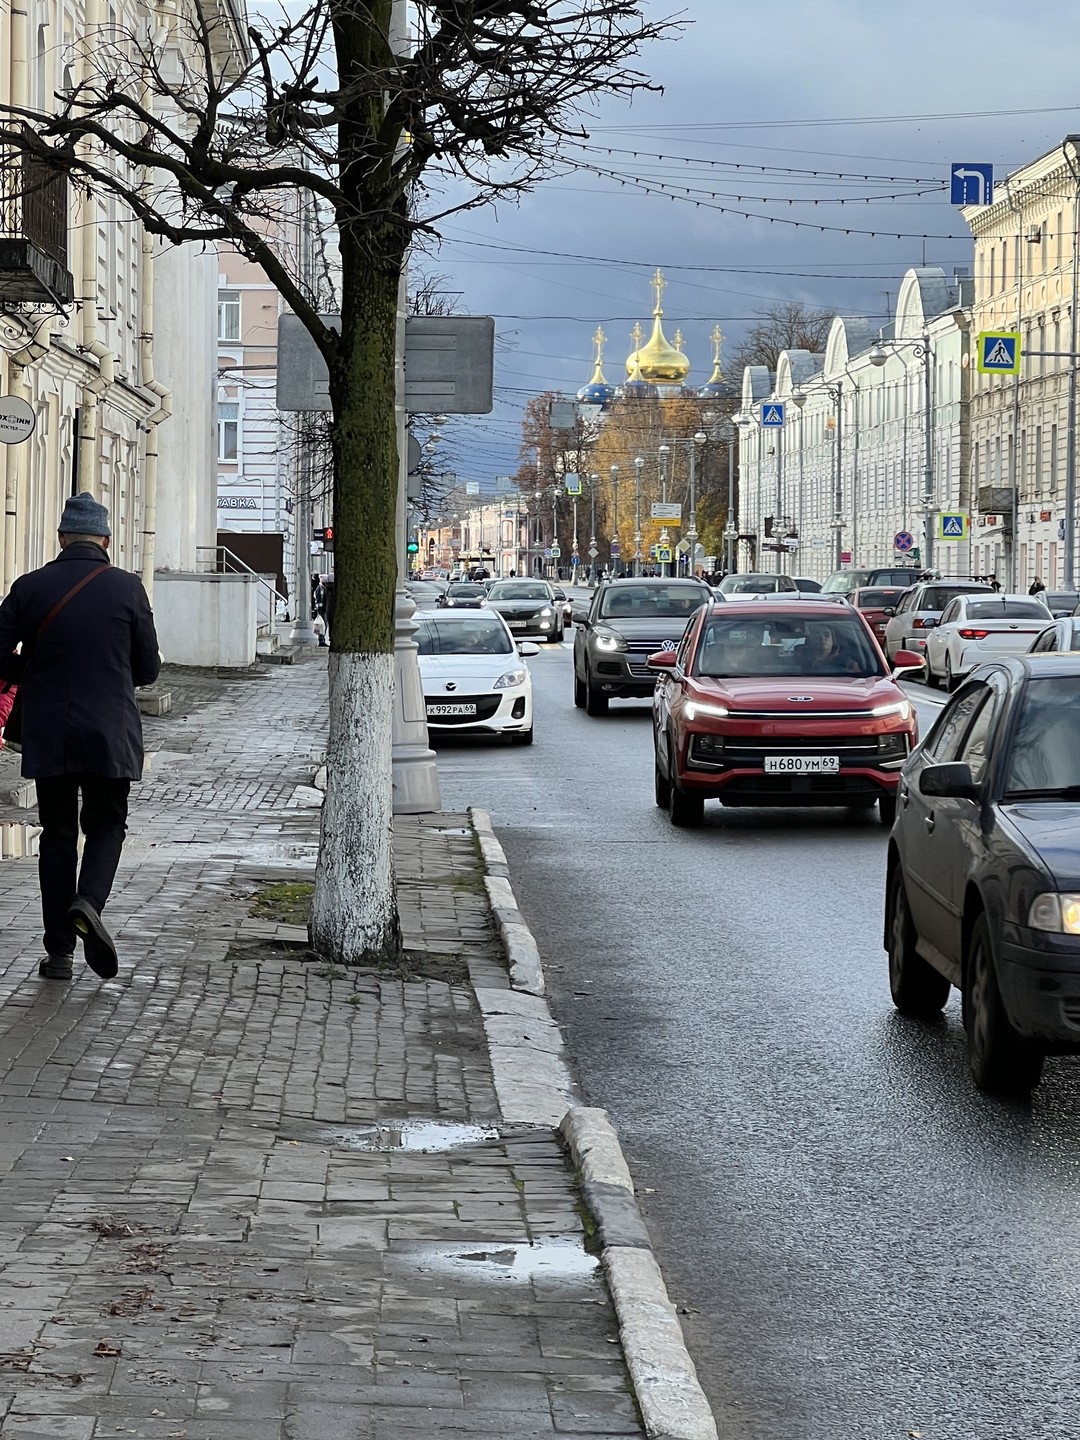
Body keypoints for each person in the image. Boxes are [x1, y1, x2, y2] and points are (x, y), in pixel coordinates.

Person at [0, 493, 160, 982]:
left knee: (58, 836)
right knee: (107, 824)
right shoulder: (128, 589)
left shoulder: (30, 587)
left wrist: (29, 672)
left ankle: (60, 955)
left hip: (49, 731)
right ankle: (88, 902)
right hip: (110, 731)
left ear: (61, 538)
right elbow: (148, 669)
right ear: (106, 541)